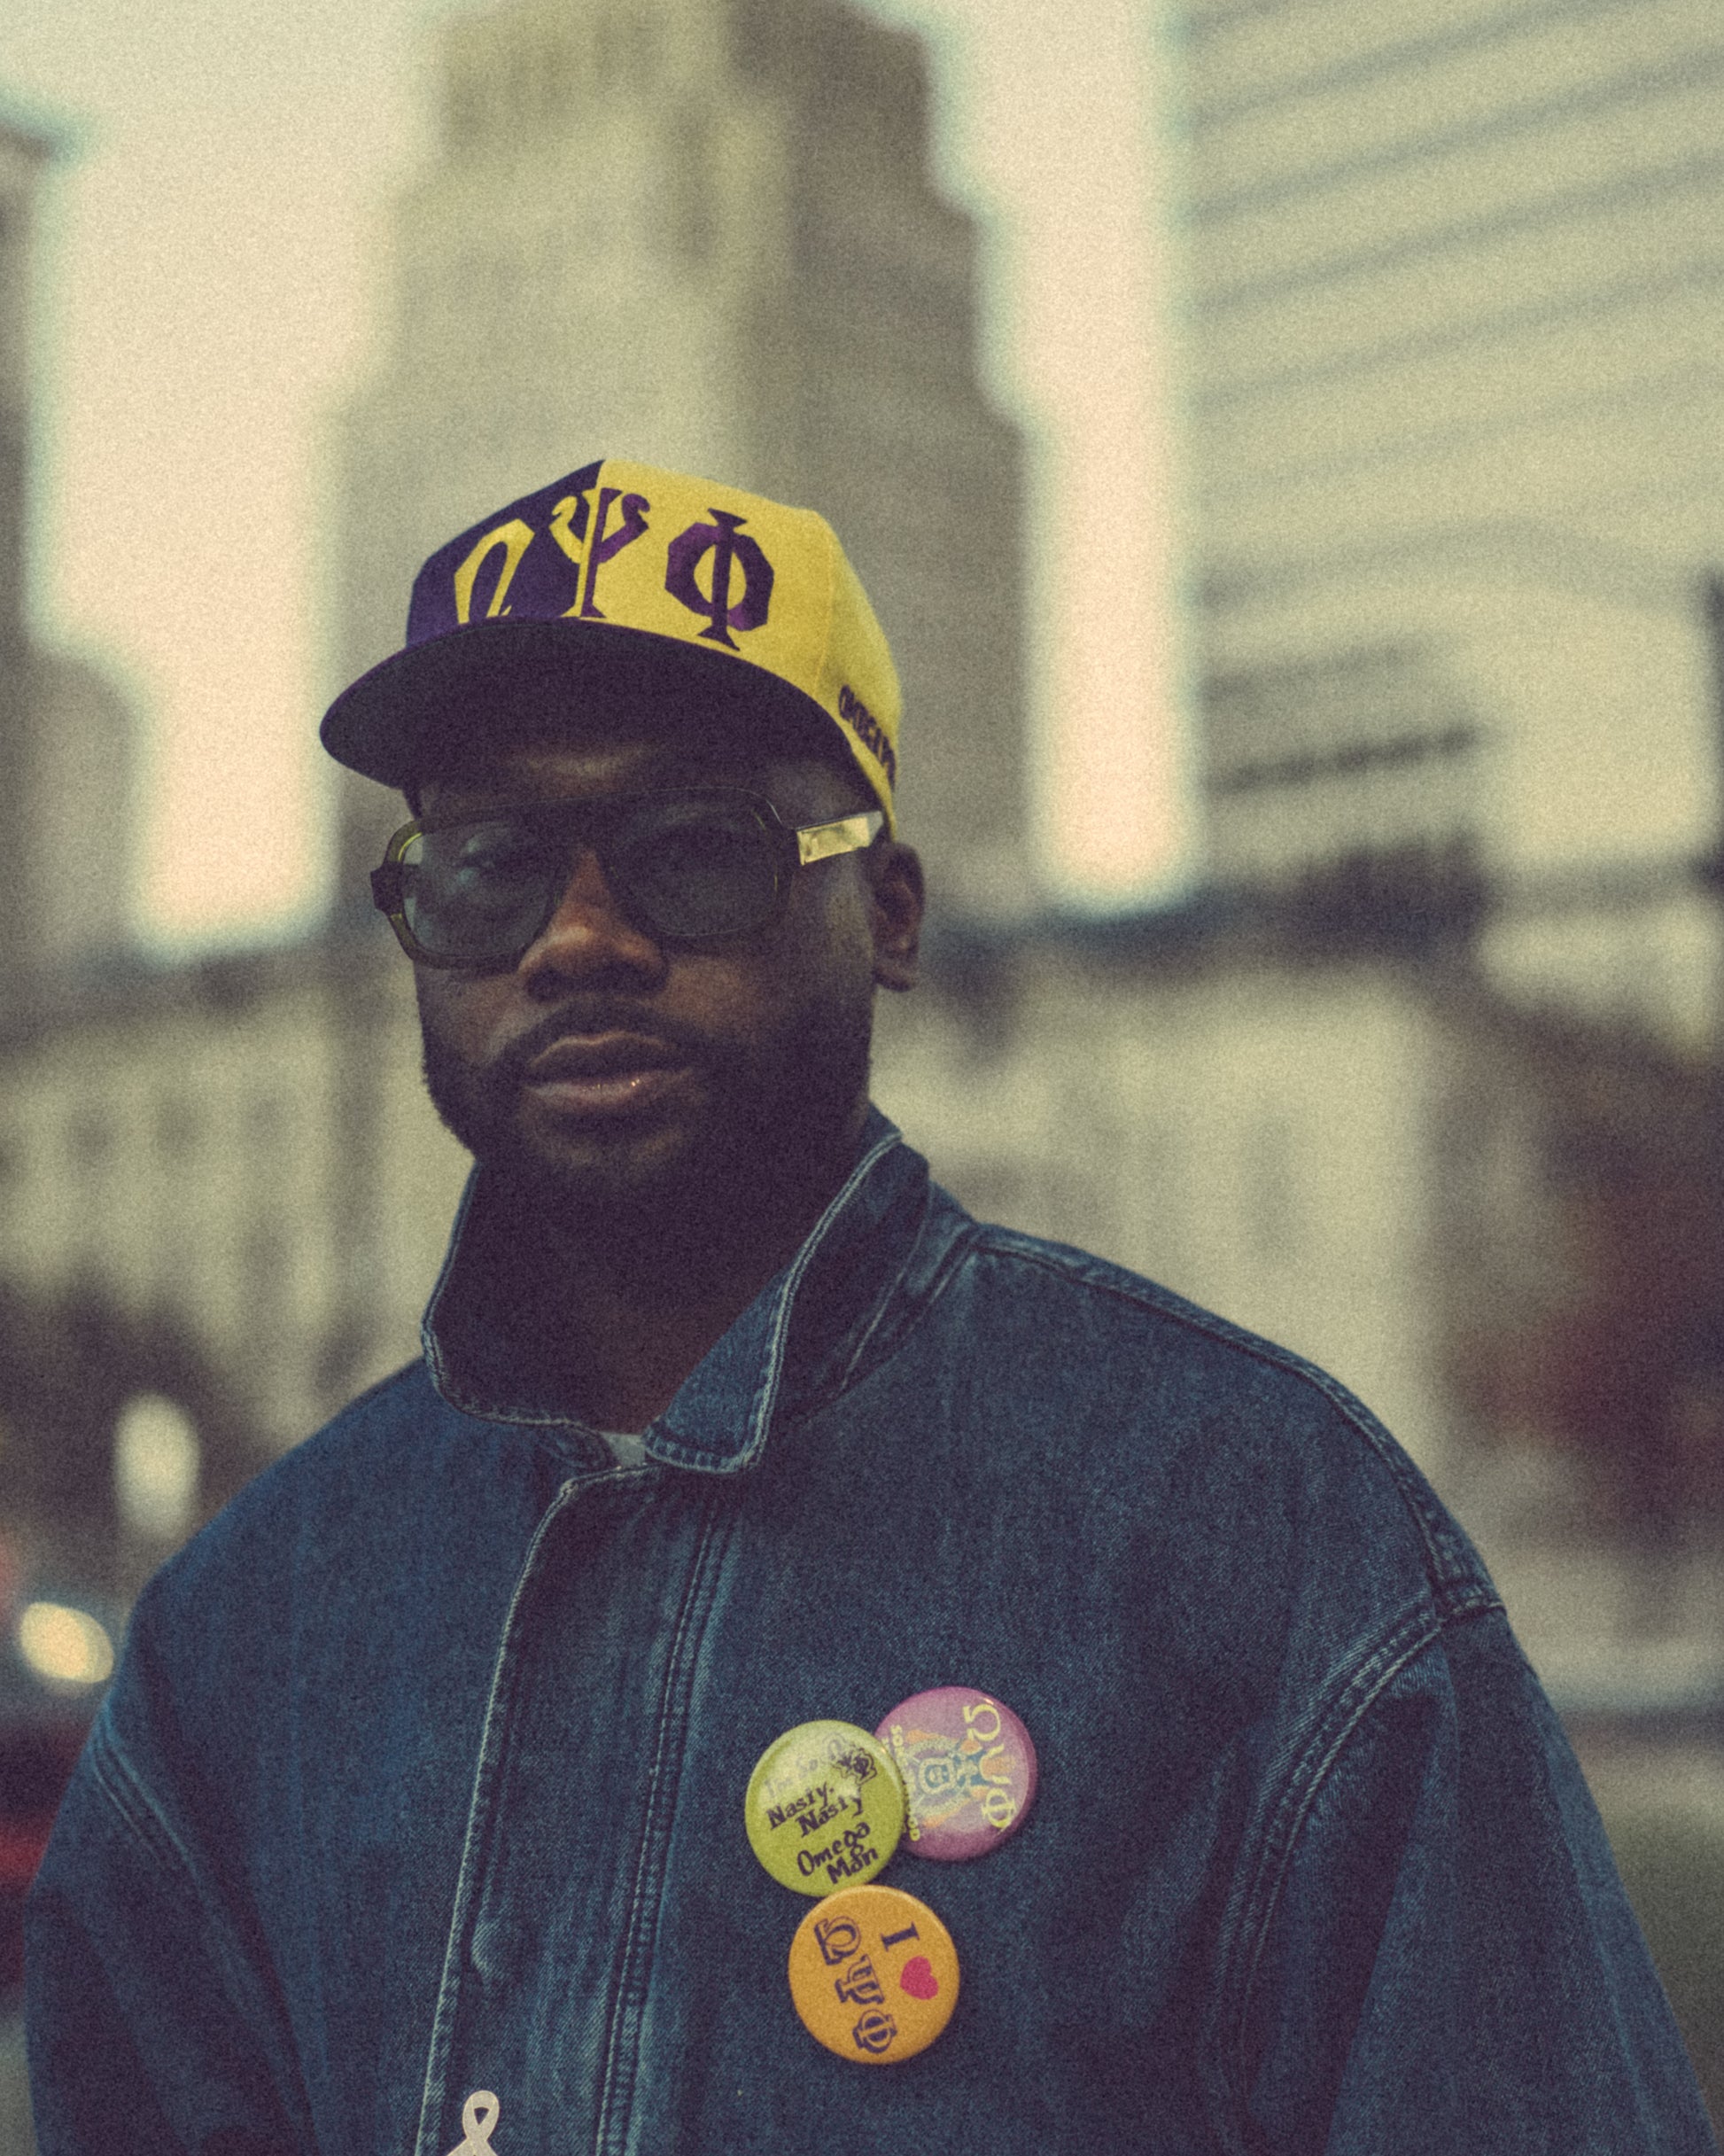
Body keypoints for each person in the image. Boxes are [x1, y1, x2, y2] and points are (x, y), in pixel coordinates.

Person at [26, 458, 1718, 2154]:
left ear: (888, 912)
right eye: (488, 868)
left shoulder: (1263, 1535)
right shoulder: (241, 1637)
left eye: (697, 851)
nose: (579, 937)